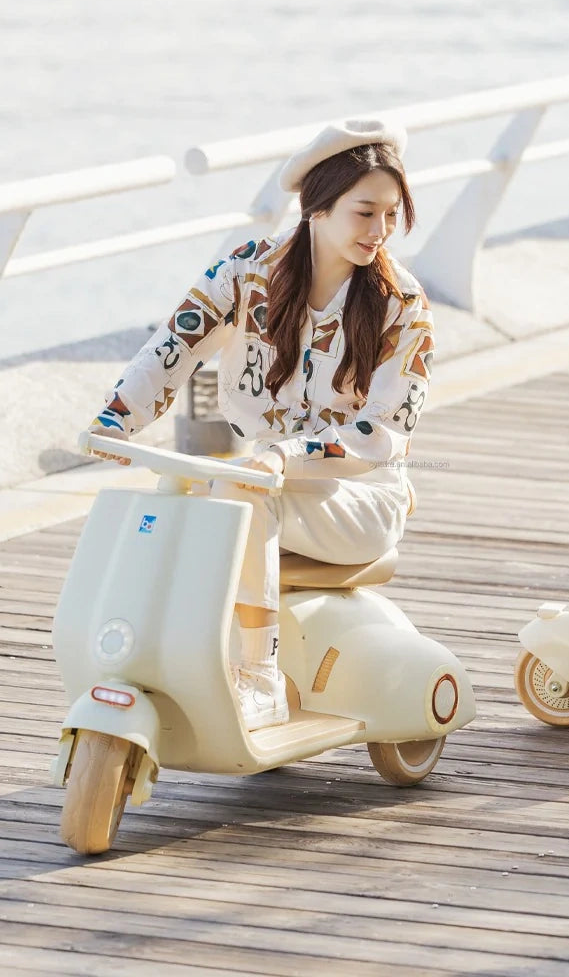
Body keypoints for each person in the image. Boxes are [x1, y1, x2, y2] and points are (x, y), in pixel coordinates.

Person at [89, 119, 434, 730]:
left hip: (357, 496)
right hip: (260, 474)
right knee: (186, 499)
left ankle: (259, 675)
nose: (380, 231)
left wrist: (286, 457)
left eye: (390, 214)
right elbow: (175, 344)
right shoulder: (248, 270)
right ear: (317, 207)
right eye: (365, 212)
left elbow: (381, 433)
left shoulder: (401, 304)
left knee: (241, 493)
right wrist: (118, 417)